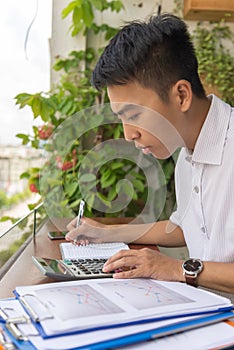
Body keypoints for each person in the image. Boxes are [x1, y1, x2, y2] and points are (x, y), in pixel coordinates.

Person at [65, 13, 234, 301]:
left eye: (133, 115)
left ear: (181, 95)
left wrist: (178, 269)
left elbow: (180, 265)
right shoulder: (187, 152)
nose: (128, 134)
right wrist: (107, 234)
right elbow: (185, 227)